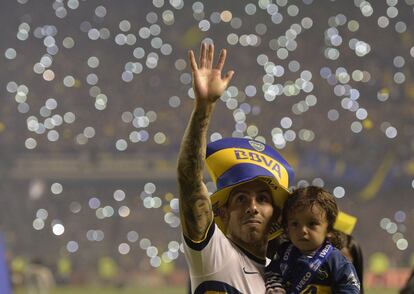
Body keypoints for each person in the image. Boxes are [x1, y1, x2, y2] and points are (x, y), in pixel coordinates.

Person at [177, 42, 295, 293]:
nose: (252, 207)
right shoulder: (214, 256)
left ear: (275, 214)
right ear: (224, 211)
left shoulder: (284, 278)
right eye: (241, 199)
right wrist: (203, 109)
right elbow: (190, 182)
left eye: (262, 199)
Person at [265, 186, 360, 293]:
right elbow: (272, 275)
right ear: (287, 227)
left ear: (329, 228)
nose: (303, 230)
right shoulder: (283, 252)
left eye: (312, 223)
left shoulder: (336, 260)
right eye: (295, 224)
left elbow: (350, 288)